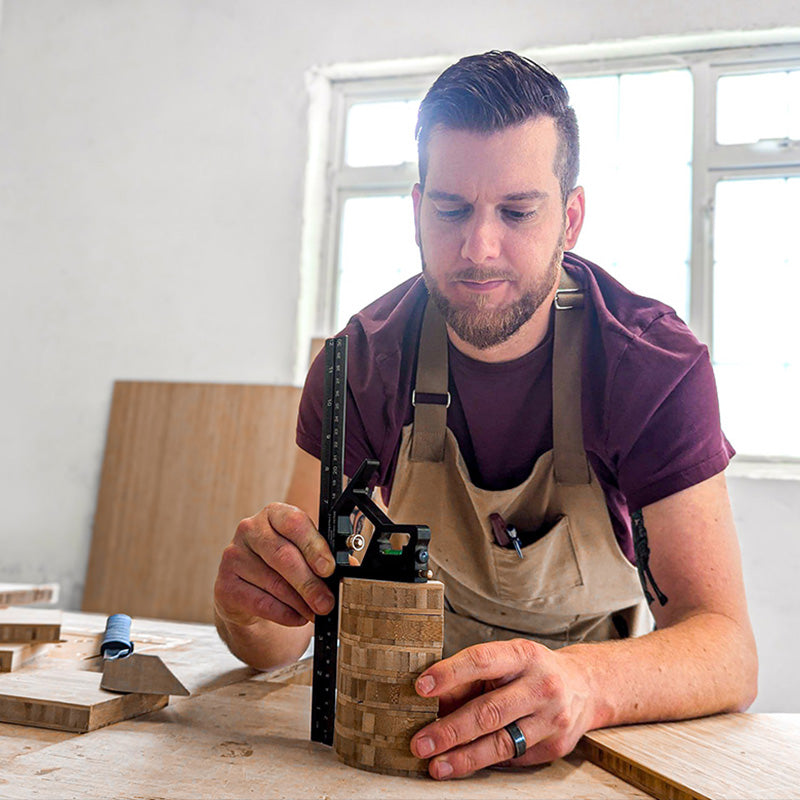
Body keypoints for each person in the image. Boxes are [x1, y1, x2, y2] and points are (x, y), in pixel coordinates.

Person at [214, 50, 757, 780]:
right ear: (415, 212)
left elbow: (725, 646)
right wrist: (247, 613)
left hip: (598, 724)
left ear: (570, 217)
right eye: (451, 209)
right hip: (415, 724)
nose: (479, 248)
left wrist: (588, 685)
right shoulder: (358, 366)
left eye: (518, 211)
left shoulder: (651, 370)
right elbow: (290, 636)